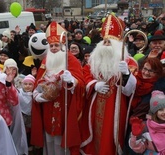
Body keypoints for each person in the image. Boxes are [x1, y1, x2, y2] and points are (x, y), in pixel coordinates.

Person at [80, 14, 137, 155]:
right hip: (94, 106)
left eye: (109, 42)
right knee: (95, 133)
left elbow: (130, 91)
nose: (105, 45)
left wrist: (127, 75)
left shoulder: (129, 63)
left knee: (110, 136)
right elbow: (85, 76)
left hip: (115, 108)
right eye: (104, 41)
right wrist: (94, 84)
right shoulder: (94, 61)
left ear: (118, 45)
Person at [31, 21, 85, 155]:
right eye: (51, 46)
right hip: (47, 106)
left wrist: (71, 81)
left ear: (62, 45)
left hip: (64, 105)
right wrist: (37, 95)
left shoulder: (71, 60)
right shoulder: (46, 60)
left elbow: (81, 84)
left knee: (62, 137)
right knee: (49, 136)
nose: (54, 48)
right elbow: (38, 80)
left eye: (56, 45)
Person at [129, 90, 165, 154]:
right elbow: (140, 149)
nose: (164, 112)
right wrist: (135, 136)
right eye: (160, 109)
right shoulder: (146, 127)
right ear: (155, 112)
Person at [18, 74, 35, 152]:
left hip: (31, 116)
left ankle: (30, 145)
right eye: (25, 84)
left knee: (30, 131)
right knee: (22, 130)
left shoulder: (34, 94)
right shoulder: (19, 92)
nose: (27, 86)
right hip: (21, 114)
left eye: (30, 84)